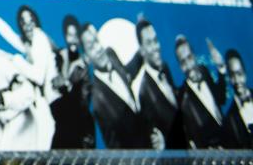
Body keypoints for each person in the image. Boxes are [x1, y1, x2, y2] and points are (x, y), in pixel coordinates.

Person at [0, 19, 53, 150]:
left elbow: (28, 93)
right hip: (10, 130)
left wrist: (5, 98)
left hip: (24, 125)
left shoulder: (1, 62)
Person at [80, 23, 164, 149]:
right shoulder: (97, 100)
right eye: (91, 47)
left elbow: (128, 74)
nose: (98, 48)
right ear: (87, 57)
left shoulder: (111, 54)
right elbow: (114, 147)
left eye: (97, 40)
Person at [129, 19, 185, 148]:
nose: (156, 47)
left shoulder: (164, 67)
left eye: (156, 40)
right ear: (141, 50)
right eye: (149, 43)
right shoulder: (141, 90)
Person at [175, 35, 228, 148]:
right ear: (180, 66)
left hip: (229, 141)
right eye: (183, 62)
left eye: (189, 58)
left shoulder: (205, 71)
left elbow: (221, 99)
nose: (188, 66)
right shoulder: (182, 97)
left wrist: (221, 69)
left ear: (194, 56)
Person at [50, 15, 95, 148]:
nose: (73, 40)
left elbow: (84, 101)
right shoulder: (60, 57)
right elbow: (53, 82)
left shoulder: (84, 67)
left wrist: (69, 85)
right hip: (60, 121)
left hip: (77, 124)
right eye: (69, 35)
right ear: (65, 36)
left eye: (75, 36)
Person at [223, 49, 253, 148]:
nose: (236, 80)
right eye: (232, 75)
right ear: (228, 78)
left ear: (245, 73)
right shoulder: (229, 119)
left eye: (239, 73)